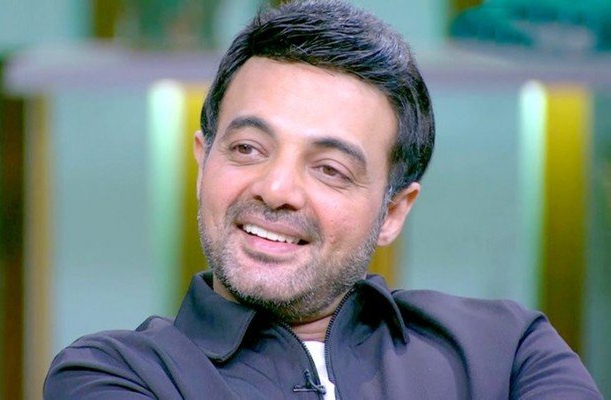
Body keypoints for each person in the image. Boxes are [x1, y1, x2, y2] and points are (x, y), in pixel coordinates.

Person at [44, 1, 602, 399]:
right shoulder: (116, 374)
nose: (276, 189)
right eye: (247, 148)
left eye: (330, 170)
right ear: (202, 161)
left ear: (393, 211)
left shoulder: (505, 350)